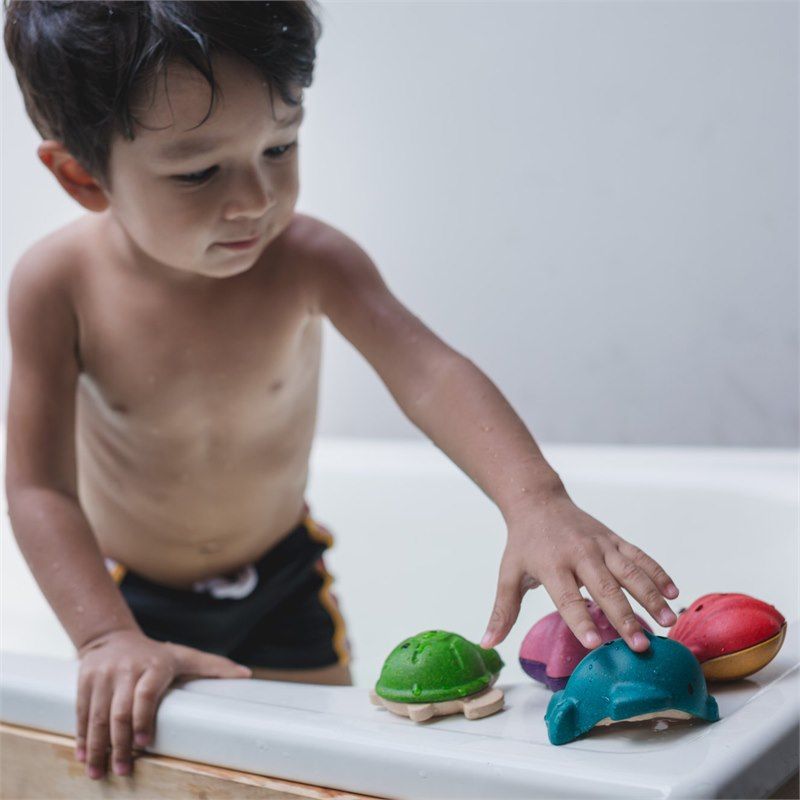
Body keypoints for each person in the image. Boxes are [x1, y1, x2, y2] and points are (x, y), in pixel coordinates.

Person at [3, 0, 680, 782]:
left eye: (280, 146)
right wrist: (101, 637)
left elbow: (428, 370)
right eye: (198, 171)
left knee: (325, 767)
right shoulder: (58, 288)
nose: (255, 198)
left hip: (287, 575)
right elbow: (39, 489)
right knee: (151, 774)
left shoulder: (310, 261)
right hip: (131, 596)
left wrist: (534, 499)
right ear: (82, 175)